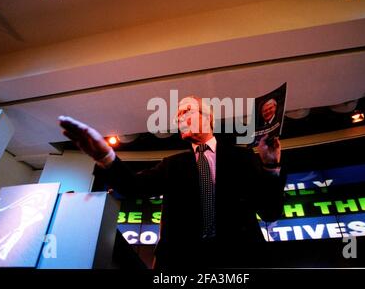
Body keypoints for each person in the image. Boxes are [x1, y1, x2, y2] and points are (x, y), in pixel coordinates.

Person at [59, 96, 286, 269]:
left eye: (186, 111)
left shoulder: (243, 157)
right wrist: (105, 157)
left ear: (208, 118)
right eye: (178, 116)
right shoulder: (171, 165)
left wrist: (271, 167)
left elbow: (270, 212)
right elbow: (132, 187)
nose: (179, 118)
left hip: (240, 263)